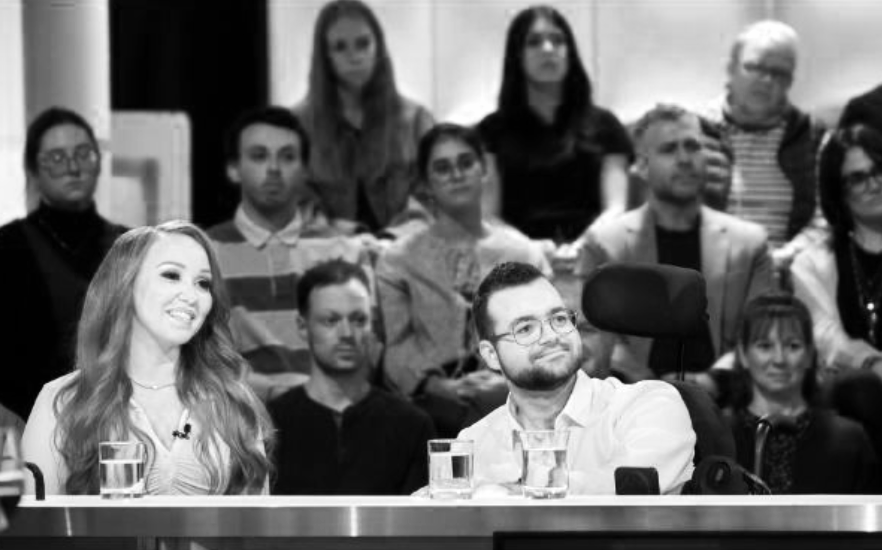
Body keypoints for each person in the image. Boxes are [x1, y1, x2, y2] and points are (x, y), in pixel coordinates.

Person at [22, 221, 273, 495]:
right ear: (124, 284)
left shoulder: (233, 403)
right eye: (171, 275)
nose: (191, 295)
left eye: (203, 283)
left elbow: (257, 528)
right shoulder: (65, 399)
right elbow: (34, 527)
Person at [460, 262, 695, 495]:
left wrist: (508, 490)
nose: (551, 336)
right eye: (525, 329)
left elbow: (628, 490)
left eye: (559, 319)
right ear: (491, 355)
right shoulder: (473, 443)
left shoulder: (648, 405)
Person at [578, 104, 773, 384]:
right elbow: (598, 339)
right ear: (642, 167)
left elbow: (760, 333)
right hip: (630, 398)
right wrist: (651, 389)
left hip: (726, 398)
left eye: (693, 146)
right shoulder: (605, 244)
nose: (685, 159)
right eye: (669, 149)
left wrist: (713, 381)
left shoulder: (750, 243)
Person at [377, 123, 550, 436]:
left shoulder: (524, 253)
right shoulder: (399, 259)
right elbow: (395, 346)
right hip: (431, 402)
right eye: (442, 168)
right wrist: (438, 385)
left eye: (465, 163)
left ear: (483, 169)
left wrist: (510, 378)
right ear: (426, 184)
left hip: (515, 392)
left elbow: (546, 331)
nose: (456, 174)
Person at [208, 106, 371, 401]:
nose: (273, 168)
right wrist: (277, 393)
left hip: (333, 412)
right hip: (238, 418)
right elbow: (202, 359)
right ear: (233, 169)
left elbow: (369, 348)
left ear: (305, 170)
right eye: (259, 156)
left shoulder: (344, 251)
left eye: (287, 157)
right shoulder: (205, 253)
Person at [0, 107, 127, 420]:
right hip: (29, 422)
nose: (73, 167)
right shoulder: (6, 247)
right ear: (32, 169)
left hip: (120, 421)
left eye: (84, 154)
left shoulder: (130, 245)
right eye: (56, 158)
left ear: (99, 162)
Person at [270, 260, 435, 495]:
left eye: (358, 320)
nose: (346, 333)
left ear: (373, 324)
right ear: (302, 326)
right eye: (331, 320)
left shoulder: (413, 426)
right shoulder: (269, 424)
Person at [477, 5, 633, 244]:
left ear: (570, 52)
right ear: (516, 55)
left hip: (595, 253)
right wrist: (531, 251)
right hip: (518, 258)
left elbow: (616, 208)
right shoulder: (490, 133)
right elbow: (489, 216)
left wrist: (584, 246)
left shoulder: (605, 126)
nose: (548, 49)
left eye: (558, 41)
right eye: (534, 42)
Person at [294, 0, 435, 233]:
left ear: (378, 47)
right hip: (327, 252)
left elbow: (431, 194)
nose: (354, 56)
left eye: (363, 44)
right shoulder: (300, 124)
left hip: (407, 251)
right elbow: (298, 201)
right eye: (340, 47)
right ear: (325, 56)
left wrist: (395, 237)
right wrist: (344, 234)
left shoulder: (416, 120)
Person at [702, 20, 826, 280]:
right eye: (754, 67)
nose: (766, 80)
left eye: (778, 73)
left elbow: (825, 219)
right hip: (707, 272)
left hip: (788, 274)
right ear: (730, 68)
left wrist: (783, 259)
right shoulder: (696, 131)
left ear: (790, 81)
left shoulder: (812, 136)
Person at [725, 293, 879, 494]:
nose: (779, 359)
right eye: (765, 346)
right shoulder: (719, 436)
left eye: (792, 346)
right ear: (744, 355)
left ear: (809, 355)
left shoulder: (849, 441)